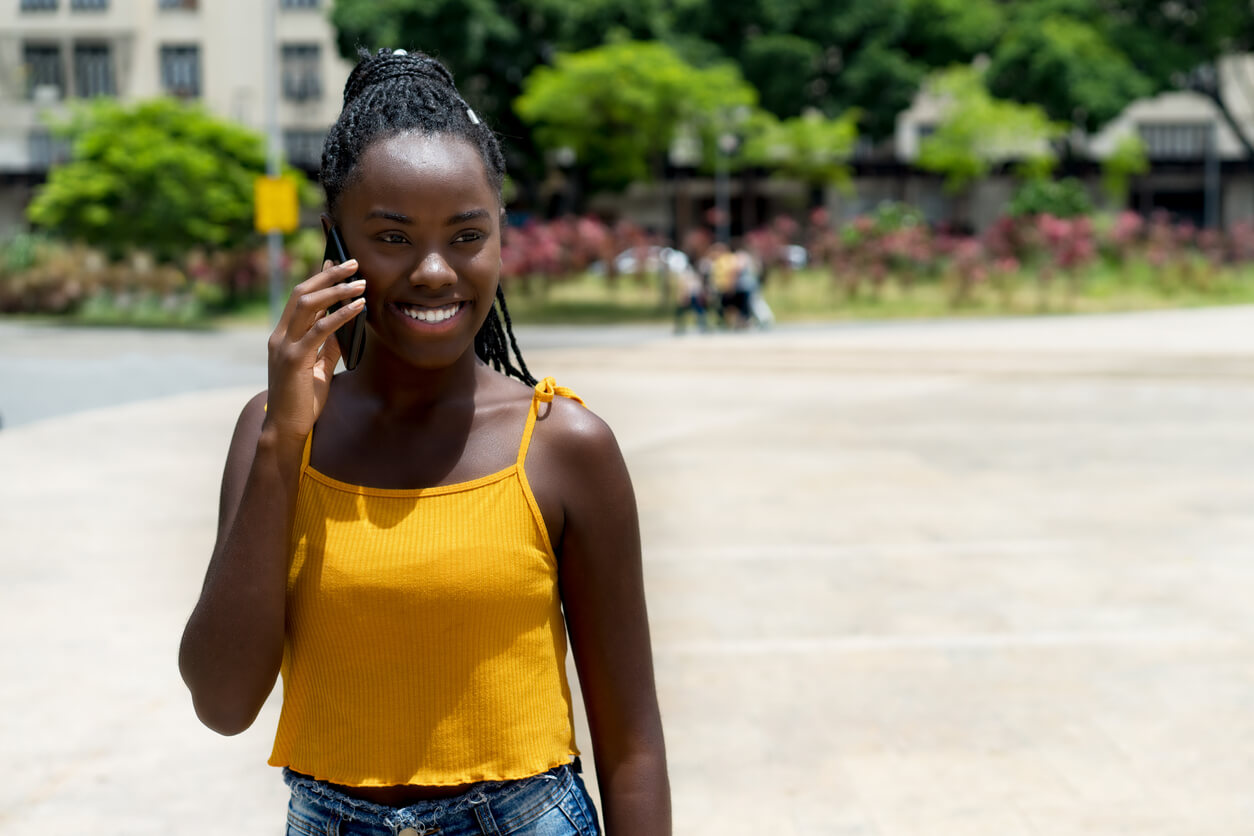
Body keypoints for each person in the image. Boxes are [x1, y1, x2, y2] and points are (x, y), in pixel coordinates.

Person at [178, 48, 670, 836]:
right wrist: (281, 441)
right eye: (393, 237)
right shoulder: (277, 435)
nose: (436, 271)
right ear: (336, 244)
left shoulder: (563, 446)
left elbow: (633, 745)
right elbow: (223, 701)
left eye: (467, 235)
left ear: (500, 237)